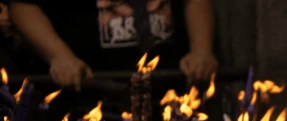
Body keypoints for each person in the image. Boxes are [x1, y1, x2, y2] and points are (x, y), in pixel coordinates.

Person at [9, 0, 217, 90]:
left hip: (172, 91)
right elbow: (23, 5)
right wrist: (58, 56)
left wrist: (201, 50)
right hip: (88, 93)